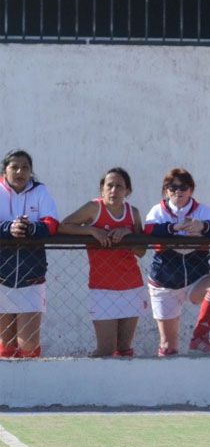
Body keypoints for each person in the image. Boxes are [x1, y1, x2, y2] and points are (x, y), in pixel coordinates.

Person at [57, 168, 148, 357]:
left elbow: (141, 251)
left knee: (124, 349)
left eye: (119, 186)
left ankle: (122, 385)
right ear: (102, 189)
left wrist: (128, 234)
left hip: (131, 286)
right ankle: (93, 383)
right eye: (110, 185)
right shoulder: (94, 208)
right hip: (102, 288)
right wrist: (91, 230)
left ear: (127, 191)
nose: (114, 190)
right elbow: (63, 226)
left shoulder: (134, 213)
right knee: (105, 350)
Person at [143, 168, 210, 356]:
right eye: (172, 188)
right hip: (164, 283)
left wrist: (203, 227)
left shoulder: (203, 210)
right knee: (168, 347)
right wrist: (173, 228)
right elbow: (148, 230)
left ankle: (200, 337)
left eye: (184, 187)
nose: (178, 192)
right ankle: (168, 383)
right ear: (166, 191)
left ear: (191, 190)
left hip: (195, 279)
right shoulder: (158, 210)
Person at [0, 149, 60, 358]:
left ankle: (33, 388)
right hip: (1, 278)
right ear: (5, 170)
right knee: (6, 345)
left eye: (25, 167)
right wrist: (8, 229)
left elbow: (52, 223)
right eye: (14, 166)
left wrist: (30, 229)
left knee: (28, 344)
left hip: (31, 277)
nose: (20, 171)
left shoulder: (40, 191)